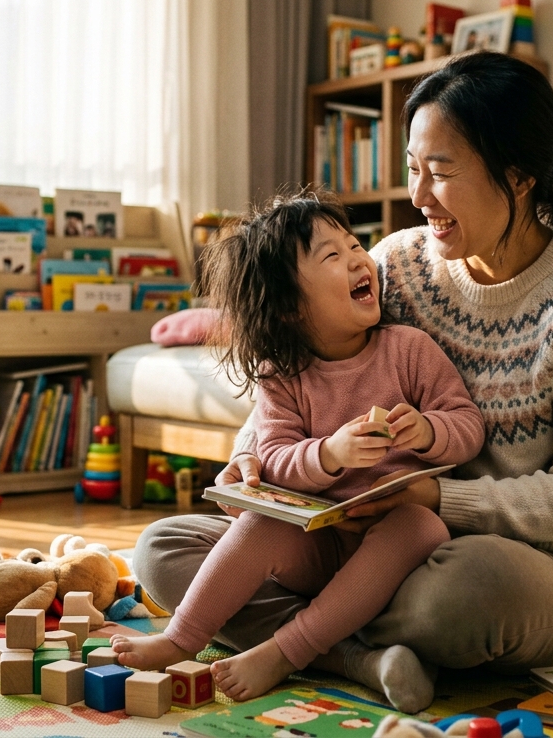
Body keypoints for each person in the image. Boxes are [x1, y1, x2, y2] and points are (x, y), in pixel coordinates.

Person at [134, 51, 553, 713]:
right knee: (164, 551)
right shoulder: (394, 266)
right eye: (412, 169)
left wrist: (439, 500)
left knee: (456, 598)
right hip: (355, 541)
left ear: (516, 177)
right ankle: (361, 658)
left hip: (525, 566)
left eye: (440, 172)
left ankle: (316, 636)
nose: (418, 196)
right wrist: (249, 463)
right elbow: (299, 370)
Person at [111, 192, 485, 702]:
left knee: (421, 524)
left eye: (355, 245)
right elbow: (277, 460)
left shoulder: (408, 349)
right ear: (288, 308)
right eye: (333, 256)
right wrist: (330, 454)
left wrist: (428, 431)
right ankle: (183, 637)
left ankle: (286, 651)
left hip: (394, 549)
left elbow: (467, 425)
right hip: (316, 542)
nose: (359, 258)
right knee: (238, 526)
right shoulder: (281, 376)